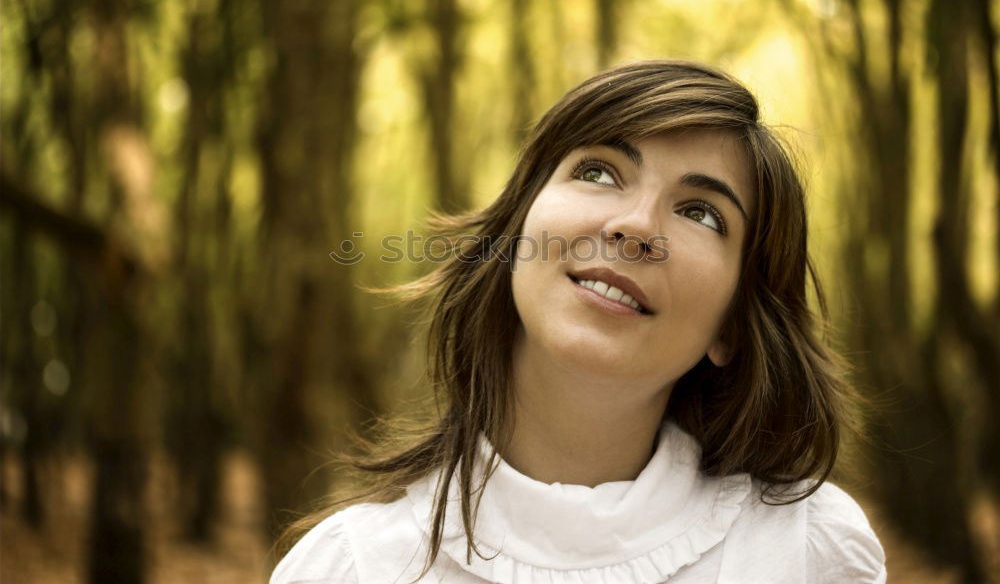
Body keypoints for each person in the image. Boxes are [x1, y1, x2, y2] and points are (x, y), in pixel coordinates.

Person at [269, 60, 887, 583]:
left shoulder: (808, 554)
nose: (637, 226)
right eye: (597, 173)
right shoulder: (351, 566)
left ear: (732, 327)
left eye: (701, 213)